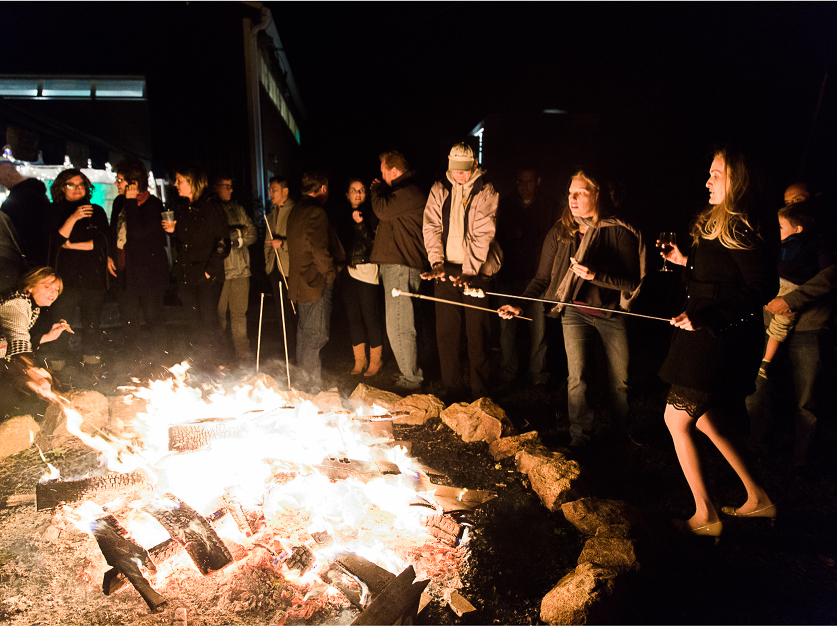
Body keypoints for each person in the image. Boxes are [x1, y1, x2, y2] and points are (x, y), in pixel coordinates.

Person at [658, 148, 777, 538]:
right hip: (706, 336)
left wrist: (711, 316)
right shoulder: (720, 223)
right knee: (709, 419)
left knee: (676, 419)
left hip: (717, 340)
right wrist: (684, 261)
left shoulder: (740, 226)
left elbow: (763, 286)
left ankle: (705, 515)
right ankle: (758, 498)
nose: (707, 181)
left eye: (716, 175)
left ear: (736, 181)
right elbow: (722, 274)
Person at [498, 168, 644, 446]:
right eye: (570, 193)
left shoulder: (618, 229)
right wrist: (520, 304)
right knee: (577, 378)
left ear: (597, 194)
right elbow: (543, 277)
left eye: (581, 192)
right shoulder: (562, 231)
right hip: (575, 312)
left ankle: (621, 434)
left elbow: (631, 281)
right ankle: (580, 437)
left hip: (612, 314)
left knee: (620, 382)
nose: (573, 198)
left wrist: (595, 275)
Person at [746, 199, 835, 474]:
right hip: (771, 317)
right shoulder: (778, 241)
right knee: (759, 385)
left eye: (797, 199)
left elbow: (831, 276)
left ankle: (802, 457)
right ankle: (756, 445)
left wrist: (793, 299)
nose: (791, 202)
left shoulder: (820, 242)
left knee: (807, 395)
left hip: (810, 325)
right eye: (787, 199)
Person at [424, 142, 501, 401]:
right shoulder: (439, 189)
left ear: (474, 165)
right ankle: (453, 391)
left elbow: (483, 233)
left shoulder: (486, 191)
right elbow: (431, 226)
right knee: (447, 334)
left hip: (475, 271)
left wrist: (469, 271)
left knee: (477, 334)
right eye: (455, 169)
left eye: (464, 170)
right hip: (445, 271)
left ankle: (481, 393)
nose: (459, 174)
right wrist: (436, 263)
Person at [496, 167, 560, 387]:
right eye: (520, 181)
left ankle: (538, 373)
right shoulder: (505, 205)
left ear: (538, 181)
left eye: (529, 181)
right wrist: (508, 235)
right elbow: (493, 235)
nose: (524, 185)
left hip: (537, 274)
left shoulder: (549, 206)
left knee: (538, 326)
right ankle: (507, 371)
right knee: (506, 328)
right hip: (508, 273)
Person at [370, 151, 427, 391]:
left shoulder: (409, 192)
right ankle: (408, 372)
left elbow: (382, 210)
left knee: (400, 324)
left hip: (402, 265)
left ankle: (411, 379)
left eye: (383, 171)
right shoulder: (402, 192)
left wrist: (374, 190)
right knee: (398, 322)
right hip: (397, 264)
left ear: (394, 171)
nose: (381, 176)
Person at [162, 167, 230, 363]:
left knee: (209, 321)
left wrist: (209, 272)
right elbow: (184, 241)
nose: (175, 185)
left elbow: (222, 243)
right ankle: (202, 364)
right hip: (186, 274)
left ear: (193, 182)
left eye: (179, 180)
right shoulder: (184, 207)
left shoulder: (212, 207)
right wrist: (174, 231)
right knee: (194, 321)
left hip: (205, 275)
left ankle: (219, 364)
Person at [107, 159, 170, 365]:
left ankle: (159, 362)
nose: (117, 184)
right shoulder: (119, 202)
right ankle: (134, 363)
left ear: (133, 183)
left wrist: (132, 201)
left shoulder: (152, 204)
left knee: (154, 320)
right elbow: (113, 232)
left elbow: (138, 233)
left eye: (120, 180)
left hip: (148, 274)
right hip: (125, 272)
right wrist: (110, 255)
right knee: (129, 322)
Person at [286, 171, 344, 391]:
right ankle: (311, 390)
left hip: (300, 284)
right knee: (316, 336)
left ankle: (303, 386)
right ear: (323, 188)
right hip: (315, 282)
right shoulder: (316, 212)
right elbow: (318, 248)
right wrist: (330, 274)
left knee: (305, 334)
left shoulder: (295, 211)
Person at [47, 168, 110, 367]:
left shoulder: (96, 211)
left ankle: (92, 367)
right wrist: (73, 217)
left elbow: (101, 242)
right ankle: (57, 370)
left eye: (81, 185)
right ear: (62, 187)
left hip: (92, 278)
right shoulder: (54, 210)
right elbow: (56, 240)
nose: (77, 189)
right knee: (61, 324)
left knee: (92, 326)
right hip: (63, 280)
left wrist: (72, 245)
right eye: (71, 185)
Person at [1, 267, 69, 399]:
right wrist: (33, 371)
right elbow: (18, 341)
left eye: (56, 289)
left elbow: (14, 339)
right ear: (30, 286)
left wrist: (46, 338)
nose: (53, 292)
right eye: (47, 286)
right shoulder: (16, 303)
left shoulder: (31, 306)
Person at [338, 178, 383, 377]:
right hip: (347, 270)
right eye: (354, 190)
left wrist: (361, 224)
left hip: (367, 269)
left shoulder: (372, 214)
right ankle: (360, 361)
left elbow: (374, 242)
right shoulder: (341, 216)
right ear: (347, 195)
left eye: (362, 190)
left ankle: (376, 360)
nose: (358, 194)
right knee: (353, 317)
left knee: (370, 316)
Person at [213, 176, 257, 362]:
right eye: (227, 187)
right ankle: (219, 354)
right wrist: (240, 231)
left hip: (241, 270)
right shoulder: (213, 210)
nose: (231, 190)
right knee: (219, 314)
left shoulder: (238, 209)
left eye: (232, 186)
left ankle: (243, 353)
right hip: (221, 271)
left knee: (240, 314)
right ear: (216, 187)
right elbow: (217, 237)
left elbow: (253, 233)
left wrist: (236, 239)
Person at [264, 176, 297, 359]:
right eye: (269, 190)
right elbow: (267, 243)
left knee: (293, 312)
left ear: (285, 191)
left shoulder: (295, 211)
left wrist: (282, 244)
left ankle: (297, 352)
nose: (270, 193)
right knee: (281, 313)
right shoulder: (272, 214)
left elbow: (298, 240)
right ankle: (288, 352)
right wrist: (268, 263)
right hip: (275, 268)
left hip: (290, 269)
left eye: (273, 190)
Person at [0, 162, 51, 269]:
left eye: (0, 180)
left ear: (8, 177)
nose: (1, 183)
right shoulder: (38, 192)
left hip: (26, 256)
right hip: (44, 251)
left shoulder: (16, 200)